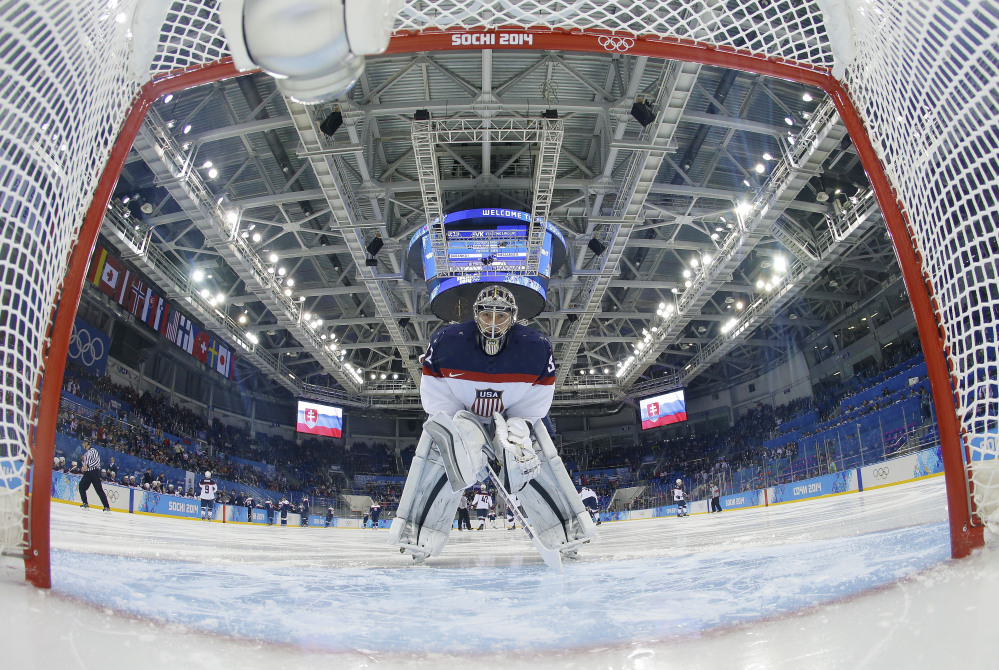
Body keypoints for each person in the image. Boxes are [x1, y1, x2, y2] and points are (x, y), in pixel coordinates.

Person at [389, 284, 595, 562]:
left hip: (511, 415)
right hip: (462, 413)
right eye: (487, 315)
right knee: (446, 452)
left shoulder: (536, 347)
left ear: (513, 317)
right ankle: (418, 537)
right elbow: (437, 399)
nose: (494, 323)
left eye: (501, 316)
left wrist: (519, 427)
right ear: (476, 315)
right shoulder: (446, 342)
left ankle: (566, 533)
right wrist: (460, 431)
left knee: (526, 455)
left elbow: (536, 400)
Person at [78, 441, 110, 512]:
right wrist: (83, 467)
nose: (82, 444)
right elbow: (86, 464)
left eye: (84, 443)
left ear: (87, 444)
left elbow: (96, 462)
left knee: (99, 490)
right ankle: (85, 503)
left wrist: (87, 466)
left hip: (94, 472)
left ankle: (106, 507)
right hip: (88, 473)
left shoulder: (94, 451)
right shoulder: (86, 453)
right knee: (81, 486)